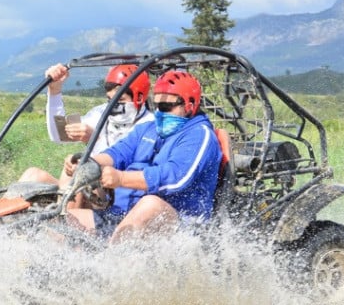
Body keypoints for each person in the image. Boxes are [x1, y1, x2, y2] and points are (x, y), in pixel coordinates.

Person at [64, 70, 223, 244]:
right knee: (63, 222)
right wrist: (87, 162)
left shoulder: (199, 136)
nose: (159, 113)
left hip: (180, 224)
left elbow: (175, 177)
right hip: (125, 215)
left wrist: (121, 178)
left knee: (150, 204)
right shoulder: (148, 129)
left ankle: (110, 264)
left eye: (165, 107)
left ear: (190, 105)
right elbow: (118, 153)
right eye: (156, 107)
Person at [19, 63, 153, 186]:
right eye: (109, 100)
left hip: (113, 192)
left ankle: (65, 208)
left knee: (78, 172)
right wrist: (54, 91)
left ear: (139, 98)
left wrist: (93, 139)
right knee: (33, 175)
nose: (113, 106)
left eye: (120, 99)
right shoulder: (101, 112)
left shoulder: (150, 125)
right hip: (87, 187)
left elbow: (123, 166)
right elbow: (59, 136)